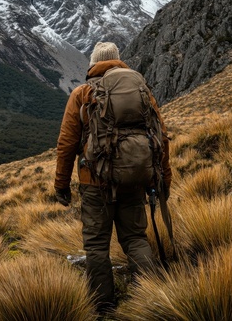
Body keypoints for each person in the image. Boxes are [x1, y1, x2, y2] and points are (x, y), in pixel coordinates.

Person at [54, 42, 171, 314]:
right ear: (119, 62)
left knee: (96, 246)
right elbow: (161, 138)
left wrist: (61, 186)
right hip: (134, 179)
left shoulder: (82, 94)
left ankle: (104, 304)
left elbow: (66, 145)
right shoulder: (141, 91)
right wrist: (164, 178)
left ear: (94, 64)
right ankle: (150, 295)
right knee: (136, 239)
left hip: (94, 184)